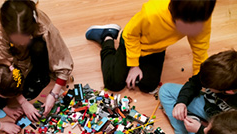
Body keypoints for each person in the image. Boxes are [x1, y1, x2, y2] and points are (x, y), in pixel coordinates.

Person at [85, 0, 216, 94]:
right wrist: (134, 65)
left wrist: (199, 82)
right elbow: (131, 35)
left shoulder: (201, 18)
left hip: (156, 50)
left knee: (148, 86)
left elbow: (200, 51)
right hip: (132, 43)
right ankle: (106, 37)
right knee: (113, 83)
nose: (190, 28)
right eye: (185, 23)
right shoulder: (152, 11)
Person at [159, 49, 237, 134]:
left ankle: (195, 128)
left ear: (229, 91)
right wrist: (181, 102)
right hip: (209, 108)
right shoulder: (222, 68)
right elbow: (194, 83)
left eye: (208, 87)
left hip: (225, 125)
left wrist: (201, 131)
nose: (205, 87)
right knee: (166, 90)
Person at [0, 0, 74, 122]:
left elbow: (62, 60)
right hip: (19, 61)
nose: (20, 42)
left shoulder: (43, 26)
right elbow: (3, 63)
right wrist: (23, 102)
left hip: (37, 52)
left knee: (39, 47)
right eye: (15, 39)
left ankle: (40, 74)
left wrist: (53, 94)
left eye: (24, 37)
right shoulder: (1, 30)